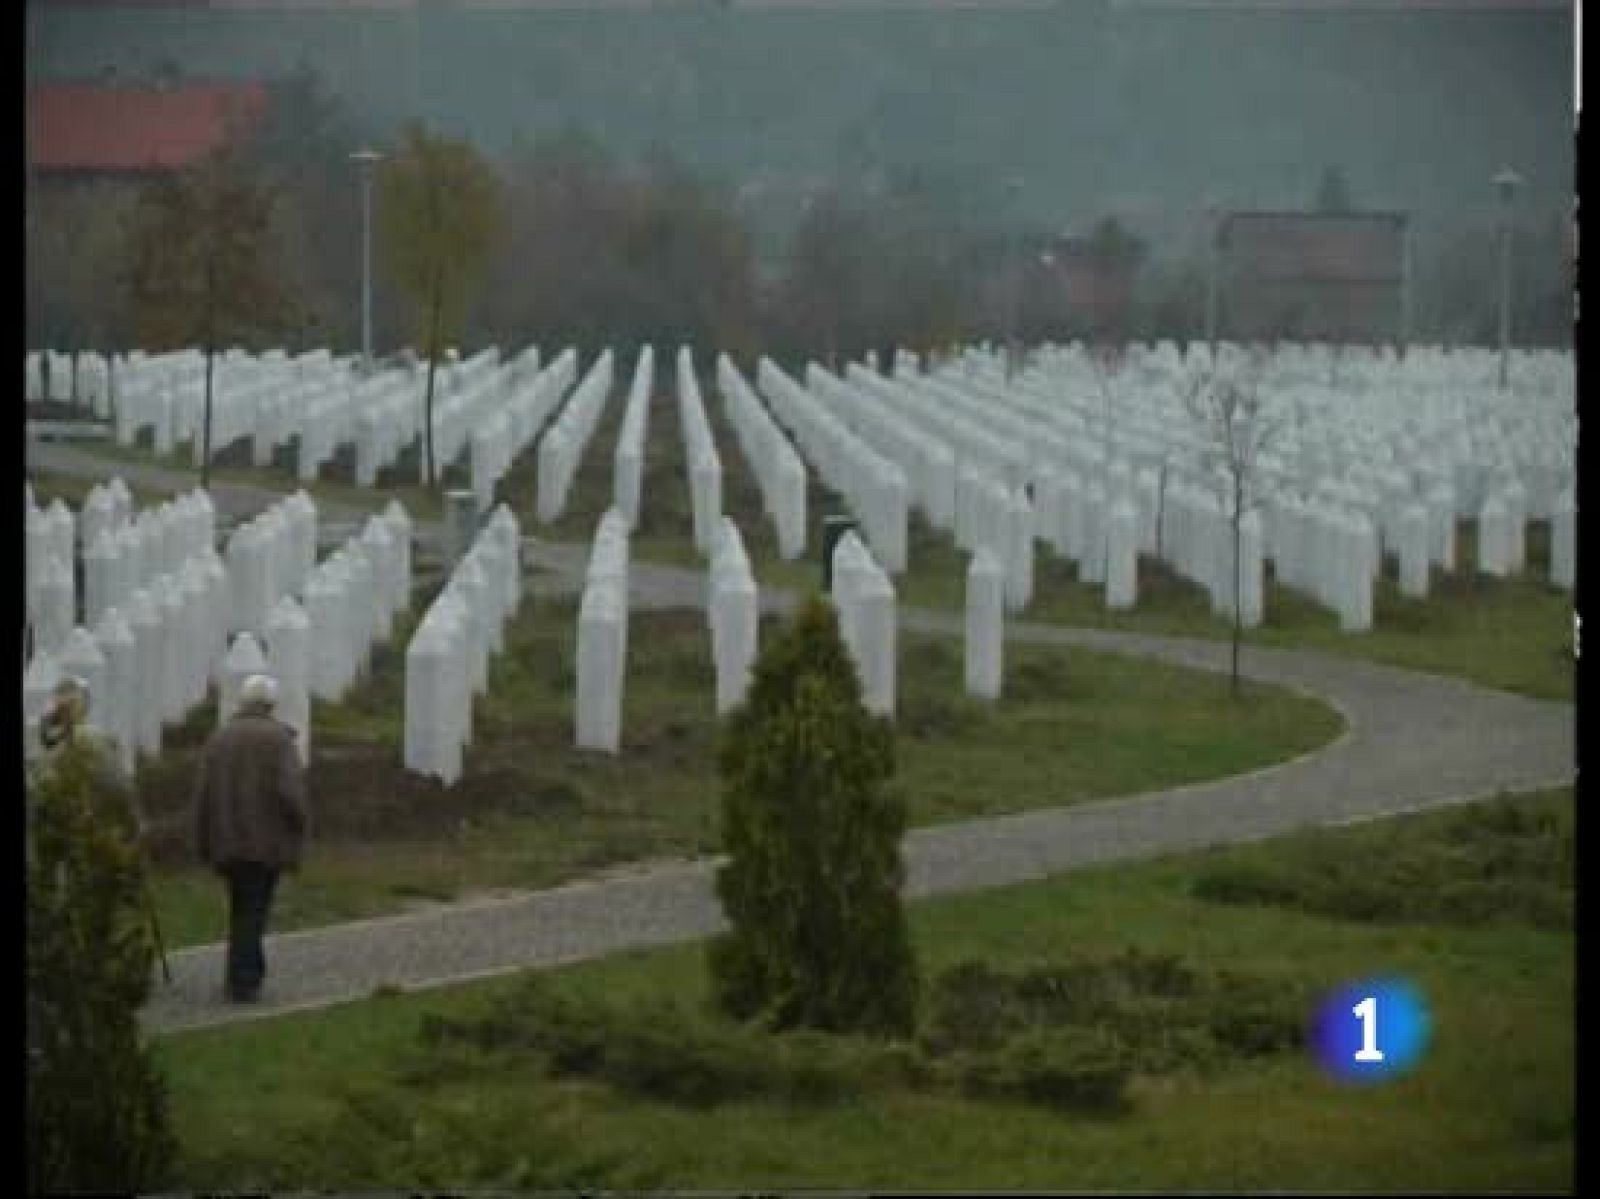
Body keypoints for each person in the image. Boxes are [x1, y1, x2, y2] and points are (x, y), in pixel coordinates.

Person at [192, 673, 308, 1003]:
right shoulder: (278, 740)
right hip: (264, 841)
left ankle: (240, 974)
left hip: (226, 839)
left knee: (240, 906)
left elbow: (203, 793)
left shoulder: (220, 738)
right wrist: (299, 826)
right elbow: (291, 793)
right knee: (254, 909)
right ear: (270, 704)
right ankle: (244, 979)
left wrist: (201, 838)